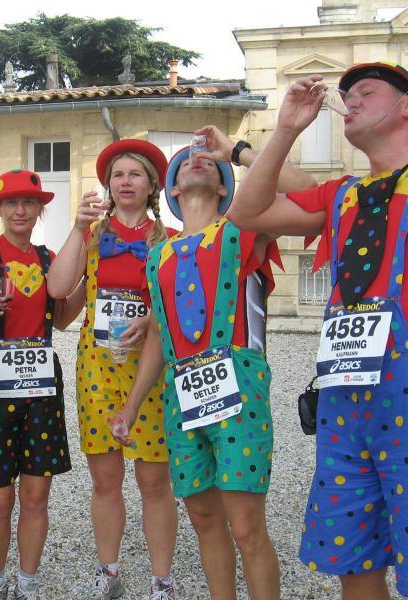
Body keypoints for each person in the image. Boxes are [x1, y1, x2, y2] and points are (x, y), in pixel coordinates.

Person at [208, 61, 408, 600]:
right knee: (353, 562)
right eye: (345, 93)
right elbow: (246, 212)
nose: (349, 100)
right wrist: (286, 129)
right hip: (344, 396)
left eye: (365, 91)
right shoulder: (342, 194)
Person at [112, 142, 315, 600]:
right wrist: (131, 405)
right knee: (204, 520)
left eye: (209, 162)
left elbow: (310, 194)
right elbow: (160, 335)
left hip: (240, 393)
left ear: (225, 187)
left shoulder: (244, 227)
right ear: (172, 190)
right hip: (181, 399)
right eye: (184, 162)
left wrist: (242, 153)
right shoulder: (157, 256)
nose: (195, 160)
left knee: (246, 526)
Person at [47, 139, 179, 599]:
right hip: (98, 366)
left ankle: (162, 580)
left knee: (154, 480)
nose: (125, 182)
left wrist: (153, 318)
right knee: (105, 479)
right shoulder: (92, 235)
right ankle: (109, 572)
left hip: (150, 367)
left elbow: (180, 305)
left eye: (134, 174)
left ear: (152, 185)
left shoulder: (170, 240)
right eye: (117, 175)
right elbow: (58, 287)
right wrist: (77, 227)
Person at [0, 169, 84, 600]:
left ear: (39, 209)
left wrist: (90, 281)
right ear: (0, 209)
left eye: (28, 202)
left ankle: (27, 581)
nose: (20, 210)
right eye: (11, 203)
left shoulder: (49, 259)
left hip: (41, 386)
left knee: (36, 495)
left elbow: (60, 320)